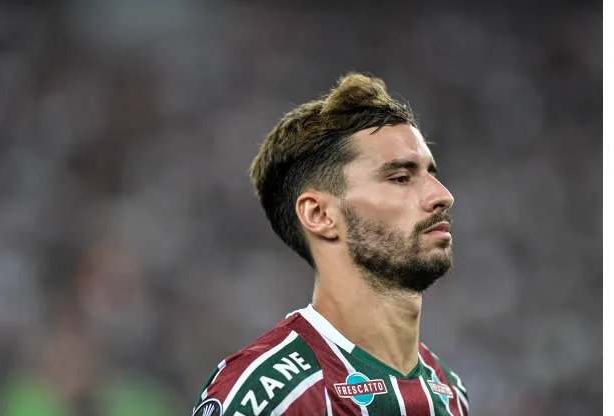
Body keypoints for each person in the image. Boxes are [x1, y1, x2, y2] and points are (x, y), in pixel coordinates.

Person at [192, 73, 469, 415]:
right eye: (400, 177)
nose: (443, 196)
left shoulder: (449, 391)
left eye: (431, 173)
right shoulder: (272, 396)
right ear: (320, 214)